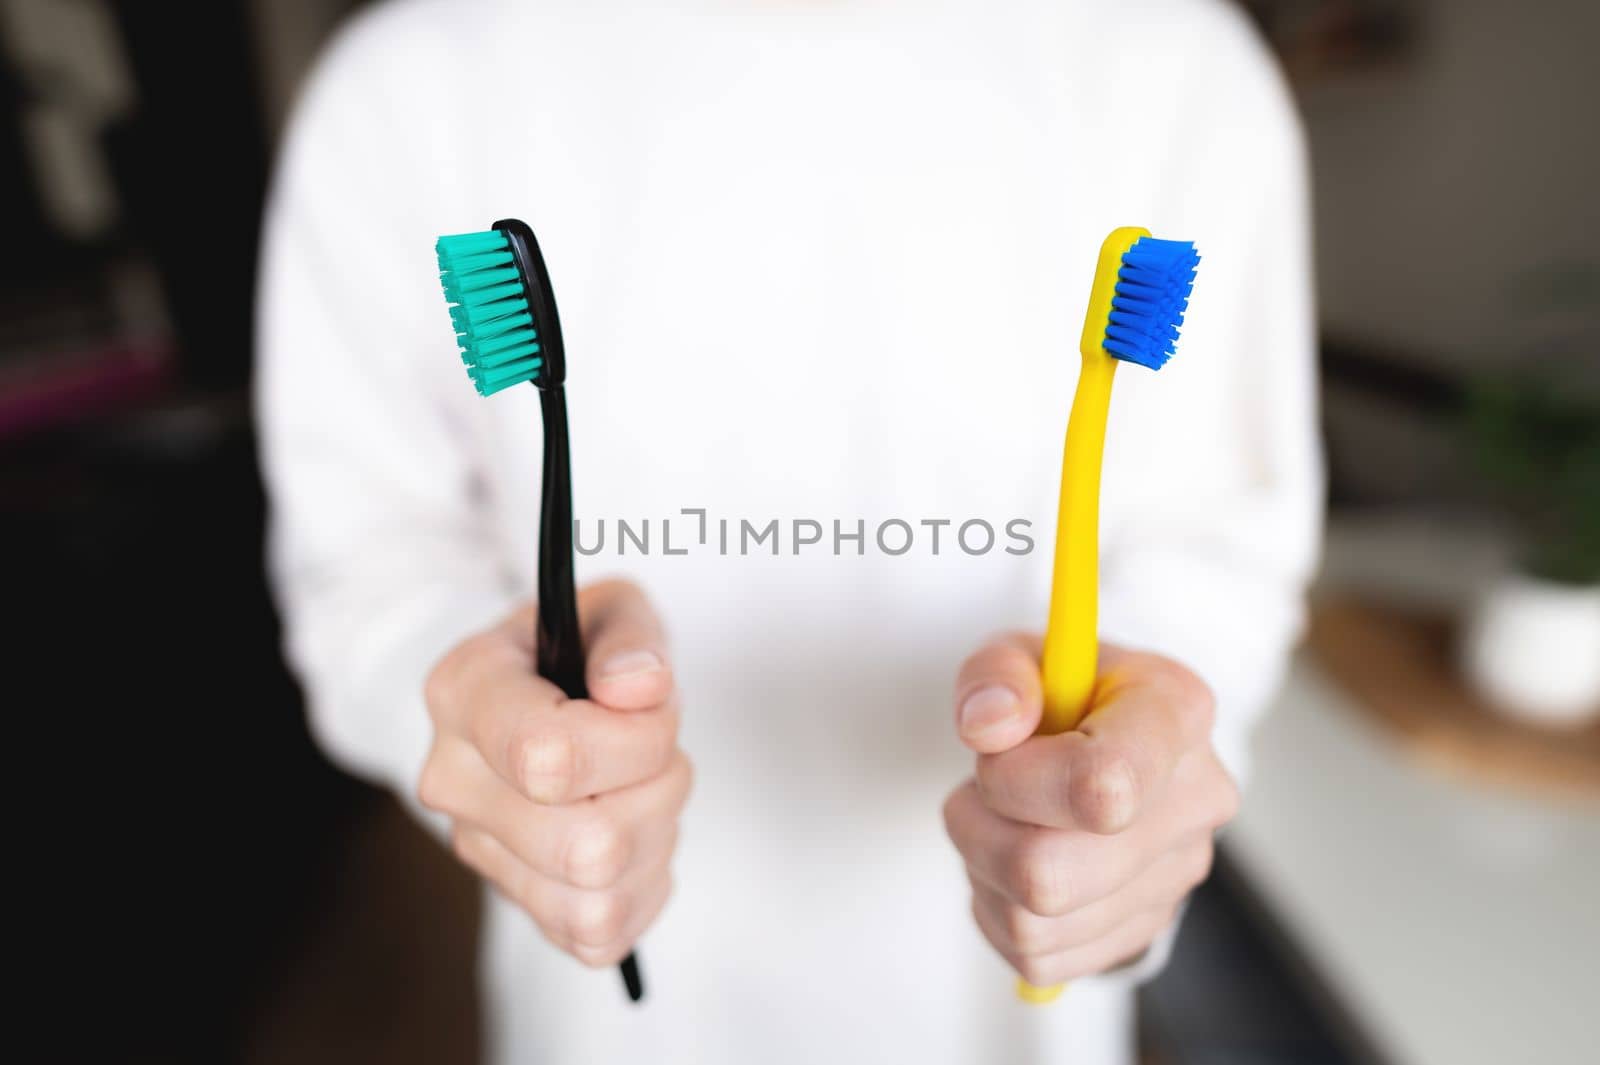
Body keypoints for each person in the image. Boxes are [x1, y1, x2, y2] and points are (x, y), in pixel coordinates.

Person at [256, 0, 1320, 1061]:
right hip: (598, 1018)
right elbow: (364, 561)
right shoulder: (408, 79)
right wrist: (488, 726)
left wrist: (1126, 801)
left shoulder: (1176, 60)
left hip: (1013, 1016)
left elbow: (1219, 549)